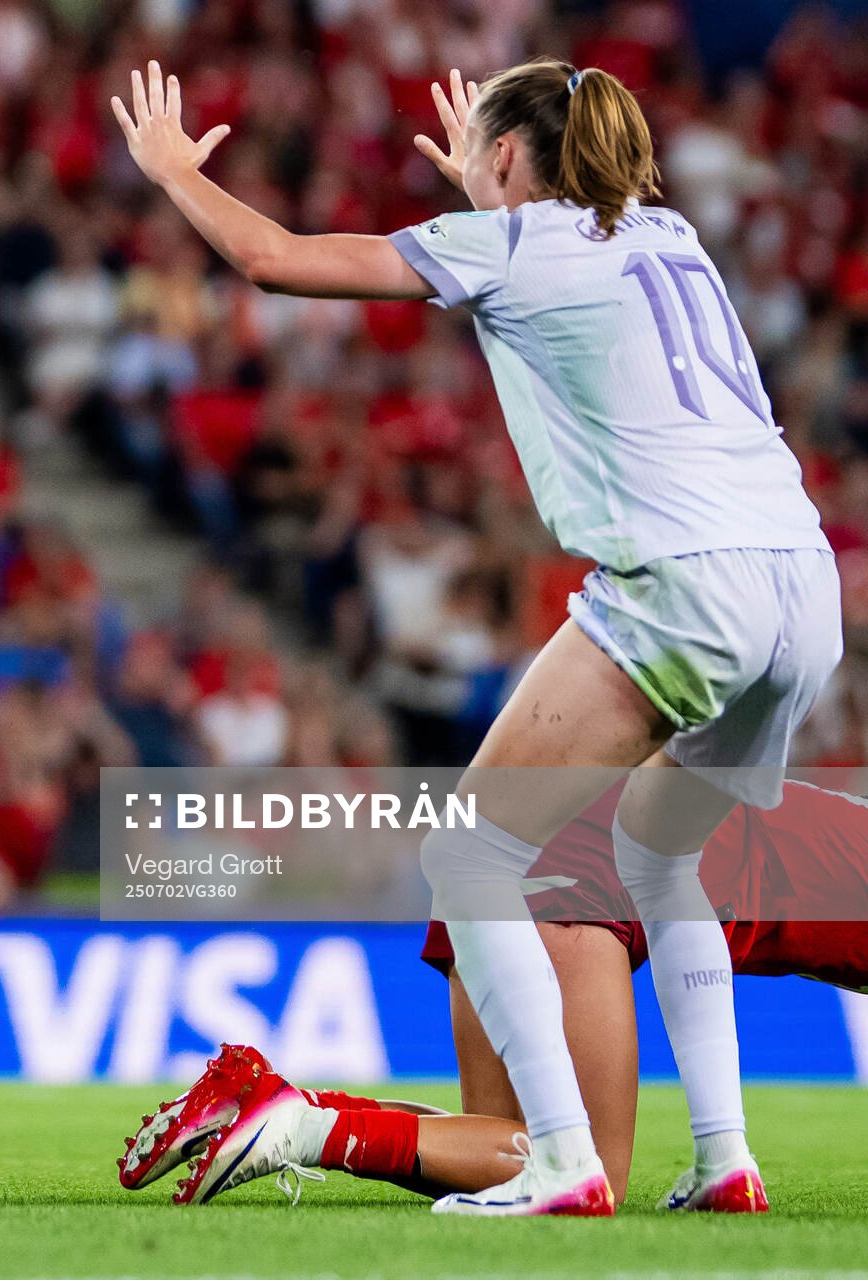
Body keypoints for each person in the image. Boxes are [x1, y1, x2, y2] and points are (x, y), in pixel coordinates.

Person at [113, 59, 841, 1216]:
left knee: (471, 858)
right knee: (659, 855)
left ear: (506, 158)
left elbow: (275, 258)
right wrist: (490, 182)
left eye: (488, 160)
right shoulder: (673, 236)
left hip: (686, 585)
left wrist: (170, 176)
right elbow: (572, 237)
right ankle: (724, 1158)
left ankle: (562, 1160)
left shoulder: (507, 244)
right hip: (804, 588)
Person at [118, 779, 868, 1207]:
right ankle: (302, 1131)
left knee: (502, 1144)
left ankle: (276, 1106)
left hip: (521, 838)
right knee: (585, 1173)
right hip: (585, 869)